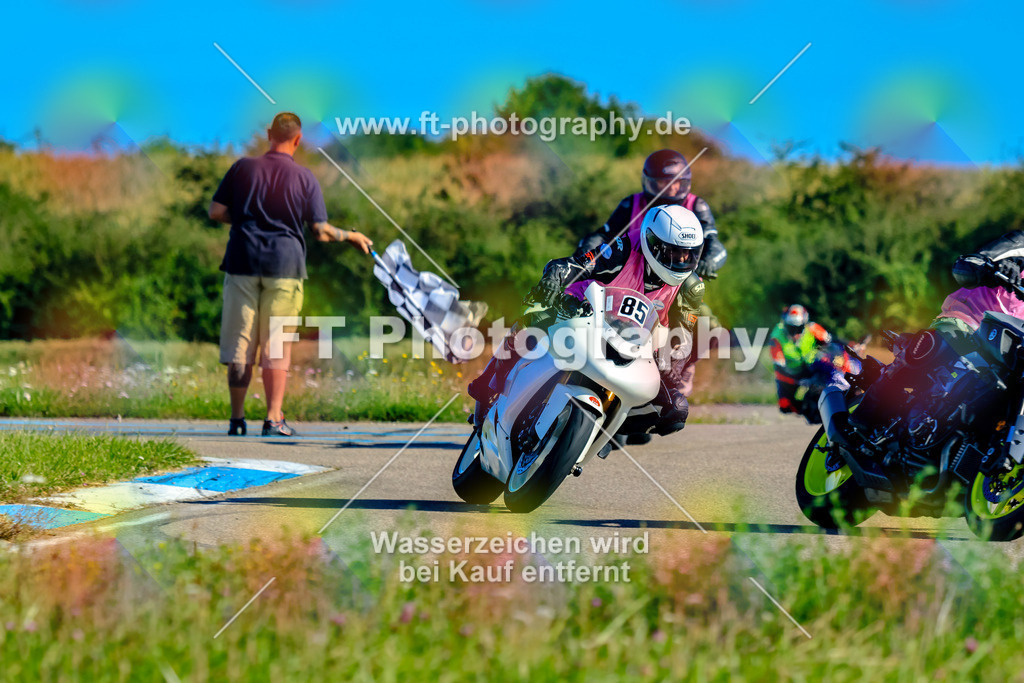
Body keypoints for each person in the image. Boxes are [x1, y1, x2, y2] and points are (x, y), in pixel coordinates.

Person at [468, 203, 706, 438]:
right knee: (531, 322)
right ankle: (488, 385)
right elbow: (579, 264)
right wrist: (555, 277)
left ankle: (602, 430)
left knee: (676, 411)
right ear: (651, 242)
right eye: (674, 252)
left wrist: (673, 366)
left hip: (639, 343)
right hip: (583, 311)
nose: (682, 260)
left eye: (689, 254)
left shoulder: (691, 287)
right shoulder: (623, 249)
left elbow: (682, 335)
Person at [209, 112, 373, 437]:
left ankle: (237, 420)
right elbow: (320, 231)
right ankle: (272, 419)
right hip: (285, 266)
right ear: (298, 140)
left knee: (241, 344)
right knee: (276, 344)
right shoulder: (305, 178)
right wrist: (351, 237)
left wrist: (246, 222)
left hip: (242, 261)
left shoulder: (243, 168)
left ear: (269, 133)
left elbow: (215, 211)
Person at [820, 231, 1024, 449]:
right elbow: (974, 261)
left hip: (1008, 356)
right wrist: (1000, 265)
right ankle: (861, 419)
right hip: (969, 322)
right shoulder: (1020, 246)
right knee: (937, 345)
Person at [576, 149, 727, 396]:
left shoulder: (697, 206)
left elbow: (714, 243)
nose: (670, 191)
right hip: (625, 279)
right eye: (661, 183)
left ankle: (682, 368)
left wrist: (709, 261)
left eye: (677, 184)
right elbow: (604, 234)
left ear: (687, 183)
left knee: (708, 325)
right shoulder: (631, 204)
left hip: (673, 286)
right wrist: (587, 253)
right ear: (647, 183)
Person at [768, 304, 834, 417]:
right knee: (785, 406)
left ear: (805, 324)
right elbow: (779, 368)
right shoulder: (776, 336)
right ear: (785, 324)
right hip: (791, 375)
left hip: (813, 368)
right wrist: (799, 382)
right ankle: (807, 410)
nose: (795, 333)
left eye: (799, 328)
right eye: (791, 328)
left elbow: (832, 342)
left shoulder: (812, 328)